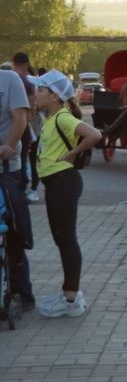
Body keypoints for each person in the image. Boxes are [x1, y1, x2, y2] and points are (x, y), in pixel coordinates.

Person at [31, 71, 101, 318]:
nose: (35, 94)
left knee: (67, 239)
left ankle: (71, 298)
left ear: (54, 95)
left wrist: (72, 154)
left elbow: (94, 134)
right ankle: (70, 294)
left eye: (40, 90)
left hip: (63, 182)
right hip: (56, 183)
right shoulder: (51, 118)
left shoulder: (62, 117)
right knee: (62, 239)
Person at [0, 65, 36, 312]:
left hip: (6, 167)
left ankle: (24, 292)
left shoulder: (9, 80)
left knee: (12, 227)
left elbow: (20, 118)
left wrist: (9, 145)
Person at [11, 52, 39, 204]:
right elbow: (32, 109)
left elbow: (31, 109)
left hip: (27, 125)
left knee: (25, 158)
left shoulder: (25, 81)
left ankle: (27, 189)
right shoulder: (29, 81)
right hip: (27, 125)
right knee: (26, 158)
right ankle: (28, 188)